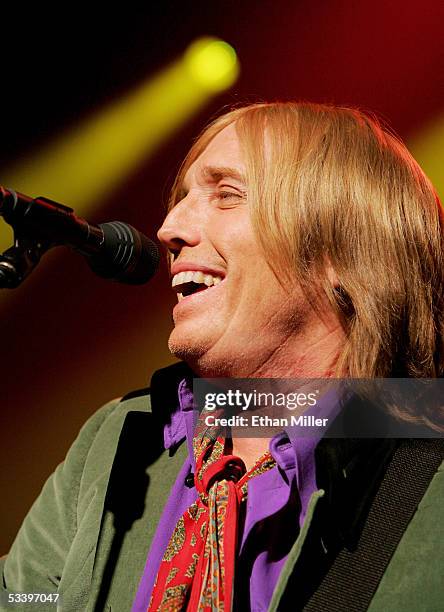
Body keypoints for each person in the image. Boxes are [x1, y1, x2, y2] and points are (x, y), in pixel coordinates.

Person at [1, 102, 443, 612]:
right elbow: (26, 598)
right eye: (183, 198)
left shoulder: (425, 471)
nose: (168, 228)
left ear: (342, 251)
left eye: (227, 195)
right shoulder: (122, 438)